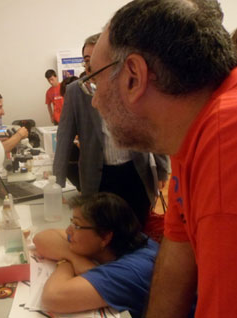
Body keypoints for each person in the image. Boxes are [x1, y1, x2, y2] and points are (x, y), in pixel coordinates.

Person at [86, 1, 237, 317]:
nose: (96, 101)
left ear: (133, 77)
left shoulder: (227, 137)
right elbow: (177, 251)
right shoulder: (192, 131)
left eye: (95, 81)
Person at [53, 33, 170, 228]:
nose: (91, 65)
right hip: (98, 174)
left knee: (138, 222)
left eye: (96, 59)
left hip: (134, 169)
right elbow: (64, 136)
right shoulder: (76, 91)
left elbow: (152, 128)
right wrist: (57, 182)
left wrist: (162, 170)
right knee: (102, 228)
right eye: (87, 60)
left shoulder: (130, 86)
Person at [33, 193, 159, 318]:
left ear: (105, 236)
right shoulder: (128, 239)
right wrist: (75, 259)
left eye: (76, 225)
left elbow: (52, 298)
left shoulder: (128, 271)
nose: (68, 231)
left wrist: (65, 263)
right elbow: (41, 238)